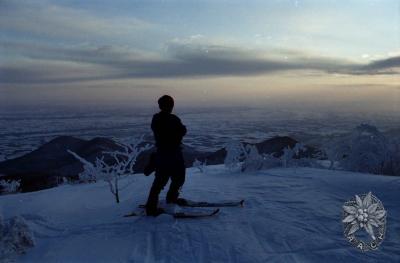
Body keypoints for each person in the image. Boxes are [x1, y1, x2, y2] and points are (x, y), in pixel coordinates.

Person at [145, 95, 187, 216]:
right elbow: (182, 131)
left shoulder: (156, 119)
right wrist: (176, 132)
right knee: (175, 179)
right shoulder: (172, 119)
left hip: (164, 154)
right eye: (170, 104)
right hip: (171, 154)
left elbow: (180, 131)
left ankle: (159, 203)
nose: (171, 107)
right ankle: (154, 207)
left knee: (163, 181)